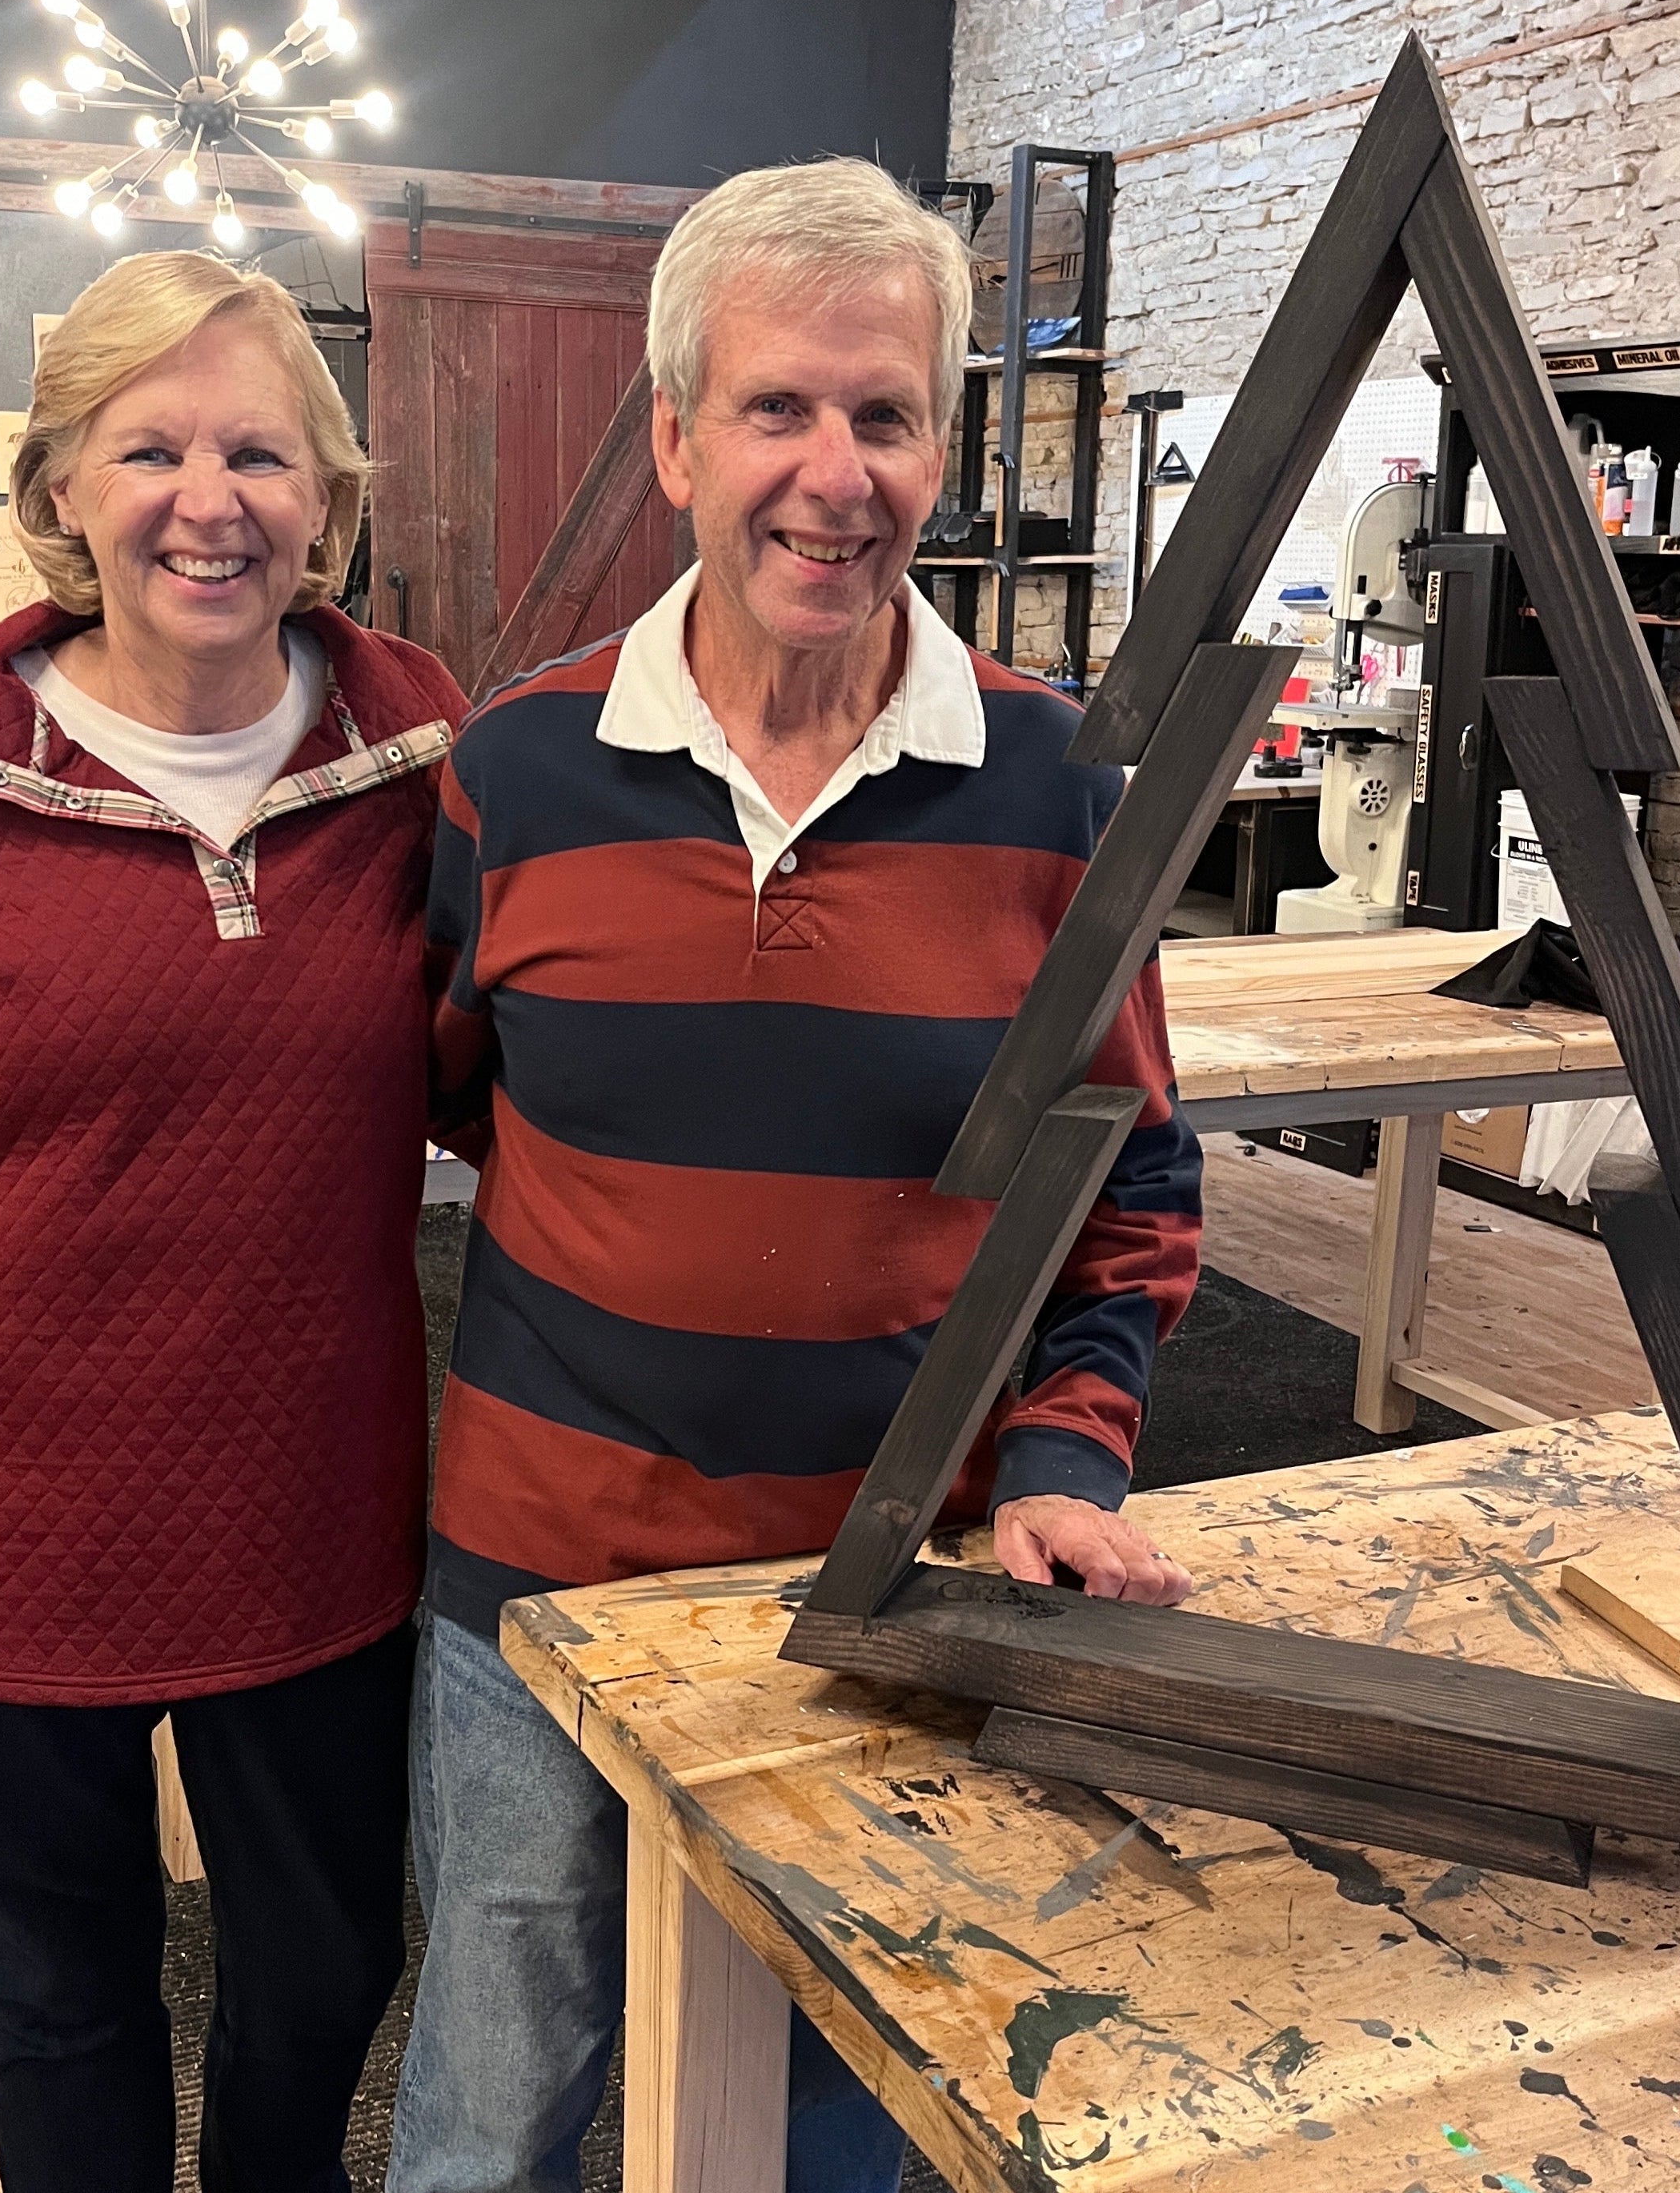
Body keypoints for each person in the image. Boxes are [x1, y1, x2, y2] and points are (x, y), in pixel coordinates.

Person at [393, 159, 1202, 2193]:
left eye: (888, 414)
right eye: (777, 408)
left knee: (844, 2124)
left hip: (884, 1596)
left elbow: (1135, 1184)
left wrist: (1063, 1463)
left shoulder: (1057, 788)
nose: (833, 474)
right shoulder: (519, 770)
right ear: (674, 438)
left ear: (946, 447)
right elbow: (464, 1099)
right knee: (494, 2100)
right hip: (533, 1593)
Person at [0, 251, 467, 2193]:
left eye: (260, 452)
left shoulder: (417, 739)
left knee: (323, 1975)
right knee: (67, 2010)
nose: (207, 501)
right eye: (150, 449)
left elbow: (507, 1070)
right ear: (59, 487)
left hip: (312, 1513)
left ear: (331, 495)